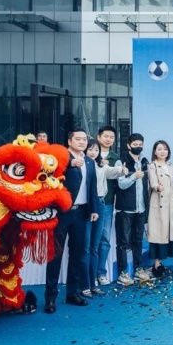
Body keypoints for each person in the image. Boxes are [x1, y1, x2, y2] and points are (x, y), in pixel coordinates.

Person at [44, 128, 102, 314]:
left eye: (84, 139)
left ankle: (72, 293)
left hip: (82, 213)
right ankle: (50, 298)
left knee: (77, 254)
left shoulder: (89, 161)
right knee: (56, 255)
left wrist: (94, 209)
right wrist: (69, 164)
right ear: (69, 141)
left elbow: (92, 187)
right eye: (78, 139)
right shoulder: (60, 158)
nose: (82, 142)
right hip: (62, 212)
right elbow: (49, 173)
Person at [115, 133, 151, 286]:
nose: (138, 147)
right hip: (125, 209)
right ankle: (122, 273)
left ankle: (138, 269)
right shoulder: (121, 161)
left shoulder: (144, 161)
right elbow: (121, 184)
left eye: (140, 144)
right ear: (128, 145)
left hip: (141, 209)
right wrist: (134, 176)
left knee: (138, 241)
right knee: (123, 242)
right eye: (135, 144)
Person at [94, 125, 122, 286]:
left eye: (111, 137)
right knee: (91, 240)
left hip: (108, 202)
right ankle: (90, 275)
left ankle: (101, 273)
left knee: (104, 239)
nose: (108, 139)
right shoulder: (90, 153)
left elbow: (119, 180)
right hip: (91, 202)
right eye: (105, 136)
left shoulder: (115, 157)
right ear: (99, 137)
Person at [147, 140, 173, 279]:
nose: (162, 151)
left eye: (165, 149)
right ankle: (156, 264)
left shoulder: (171, 167)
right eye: (159, 149)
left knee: (168, 233)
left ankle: (160, 263)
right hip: (159, 203)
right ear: (155, 152)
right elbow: (153, 182)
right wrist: (157, 187)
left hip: (171, 204)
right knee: (158, 234)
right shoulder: (152, 166)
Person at [80, 139, 106, 298]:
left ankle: (93, 283)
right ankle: (84, 285)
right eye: (90, 149)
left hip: (100, 205)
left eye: (96, 150)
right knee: (86, 247)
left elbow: (112, 172)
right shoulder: (81, 164)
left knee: (95, 246)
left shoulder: (99, 165)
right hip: (87, 206)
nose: (93, 152)